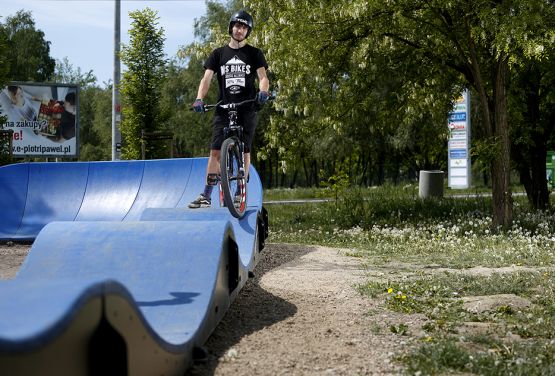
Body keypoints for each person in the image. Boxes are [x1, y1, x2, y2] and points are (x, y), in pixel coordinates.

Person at [188, 9, 270, 209]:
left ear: (247, 31)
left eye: (243, 27)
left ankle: (241, 190)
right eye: (236, 25)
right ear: (231, 28)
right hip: (223, 108)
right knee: (215, 152)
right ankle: (206, 195)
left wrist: (263, 92)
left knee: (245, 149)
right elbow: (206, 78)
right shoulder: (218, 54)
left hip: (247, 107)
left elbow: (263, 78)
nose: (239, 30)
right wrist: (199, 98)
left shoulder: (254, 53)